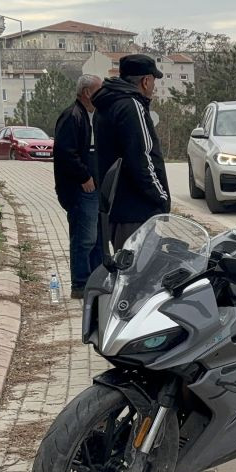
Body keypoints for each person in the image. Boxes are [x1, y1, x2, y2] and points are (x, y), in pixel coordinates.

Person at [93, 54, 171, 251]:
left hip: (117, 205)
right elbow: (141, 158)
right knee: (138, 272)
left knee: (125, 268)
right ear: (145, 81)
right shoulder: (131, 105)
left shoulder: (107, 104)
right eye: (153, 80)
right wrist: (161, 197)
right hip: (135, 209)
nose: (153, 86)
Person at [52, 74, 104, 298]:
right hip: (81, 189)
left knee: (97, 238)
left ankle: (96, 280)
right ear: (87, 93)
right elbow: (66, 154)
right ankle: (80, 285)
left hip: (94, 188)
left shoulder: (91, 115)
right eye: (98, 90)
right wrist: (84, 176)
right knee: (85, 238)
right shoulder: (72, 116)